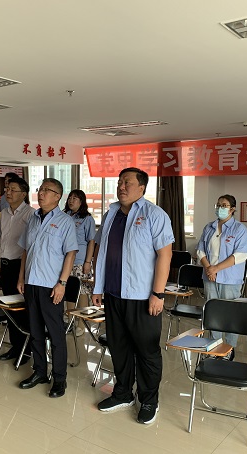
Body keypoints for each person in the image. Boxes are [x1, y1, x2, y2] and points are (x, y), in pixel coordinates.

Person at [92, 167, 174, 425]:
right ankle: (123, 393)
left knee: (146, 351)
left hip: (142, 297)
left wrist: (158, 293)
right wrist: (98, 287)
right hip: (113, 294)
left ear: (142, 187)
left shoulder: (154, 215)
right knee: (119, 347)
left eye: (127, 182)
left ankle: (149, 400)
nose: (121, 187)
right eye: (119, 182)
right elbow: (101, 252)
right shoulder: (111, 214)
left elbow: (165, 255)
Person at [17, 178, 78, 398]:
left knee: (55, 334)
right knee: (35, 332)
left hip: (51, 286)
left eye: (46, 190)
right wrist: (21, 278)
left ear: (57, 196)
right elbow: (26, 251)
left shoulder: (65, 222)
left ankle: (59, 379)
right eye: (40, 189)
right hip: (32, 283)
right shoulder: (33, 219)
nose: (41, 193)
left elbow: (70, 253)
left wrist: (62, 283)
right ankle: (40, 372)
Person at [197, 194, 247, 361]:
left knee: (230, 314)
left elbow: (241, 254)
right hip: (210, 277)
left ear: (232, 209)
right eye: (218, 205)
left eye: (224, 205)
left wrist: (216, 269)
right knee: (214, 313)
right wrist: (209, 269)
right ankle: (215, 346)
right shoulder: (209, 227)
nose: (220, 208)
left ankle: (228, 349)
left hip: (229, 278)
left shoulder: (239, 229)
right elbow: (200, 250)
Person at [0, 177, 36, 365]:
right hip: (5, 265)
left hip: (21, 266)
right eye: (7, 189)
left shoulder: (30, 214)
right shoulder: (3, 213)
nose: (8, 193)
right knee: (9, 308)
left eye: (13, 189)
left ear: (23, 194)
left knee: (22, 309)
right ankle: (15, 346)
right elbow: (1, 239)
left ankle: (26, 350)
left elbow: (30, 245)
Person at [64, 189, 96, 299]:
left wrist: (87, 262)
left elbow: (91, 241)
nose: (71, 200)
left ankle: (81, 311)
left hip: (79, 261)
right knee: (67, 291)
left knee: (81, 291)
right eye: (69, 198)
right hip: (65, 260)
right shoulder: (64, 216)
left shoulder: (87, 218)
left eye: (74, 198)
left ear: (81, 201)